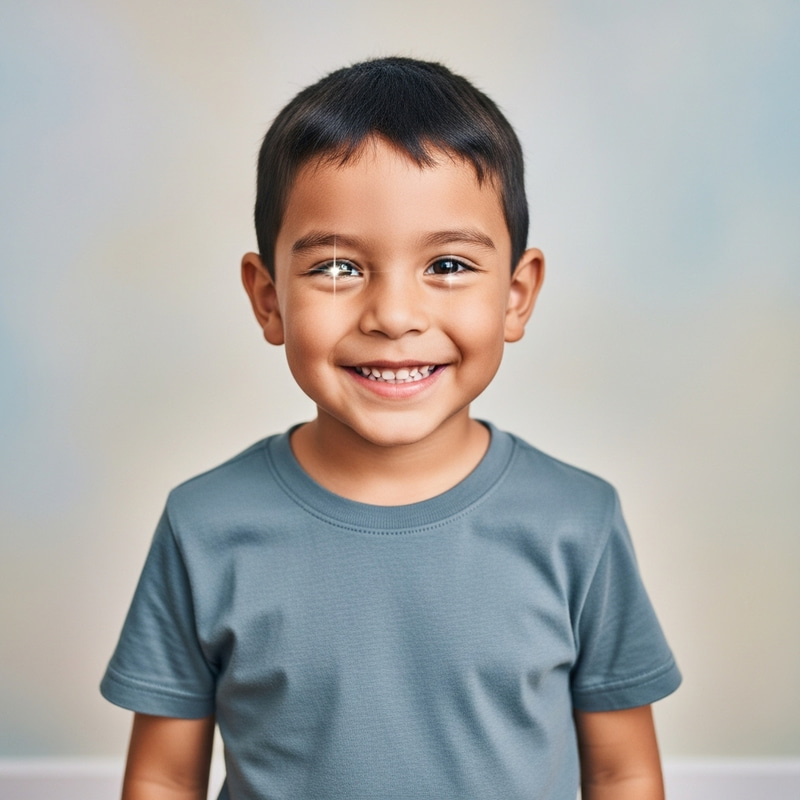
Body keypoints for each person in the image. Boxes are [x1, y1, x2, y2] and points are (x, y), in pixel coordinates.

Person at [101, 57, 681, 800]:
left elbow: (621, 769)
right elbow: (161, 776)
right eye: (338, 270)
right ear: (268, 298)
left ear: (517, 295)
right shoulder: (205, 524)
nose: (394, 315)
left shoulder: (578, 522)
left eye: (446, 264)